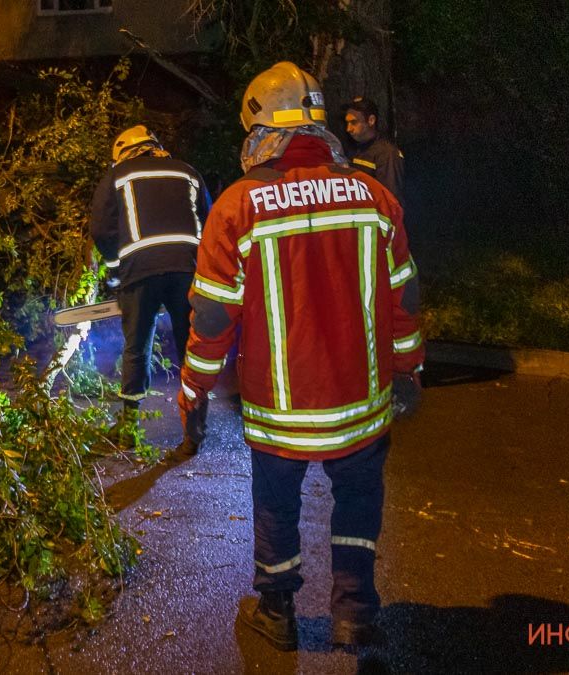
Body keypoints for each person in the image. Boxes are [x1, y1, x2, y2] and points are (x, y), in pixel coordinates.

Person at [177, 62, 424, 651]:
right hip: (362, 402)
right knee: (359, 502)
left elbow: (213, 318)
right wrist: (408, 370)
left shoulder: (238, 206)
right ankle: (355, 612)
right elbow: (404, 297)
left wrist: (193, 388)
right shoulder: (374, 195)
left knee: (277, 507)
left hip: (279, 409)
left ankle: (277, 613)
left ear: (265, 128)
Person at [91, 125, 212, 448]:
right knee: (191, 348)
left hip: (139, 271)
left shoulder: (117, 176)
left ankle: (129, 426)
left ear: (123, 153)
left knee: (137, 346)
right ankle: (195, 427)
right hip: (188, 269)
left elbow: (101, 229)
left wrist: (117, 269)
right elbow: (208, 218)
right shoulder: (188, 172)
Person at [344, 96, 406, 205]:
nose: (348, 129)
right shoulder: (354, 149)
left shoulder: (387, 154)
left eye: (354, 122)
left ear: (371, 120)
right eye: (347, 123)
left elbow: (391, 200)